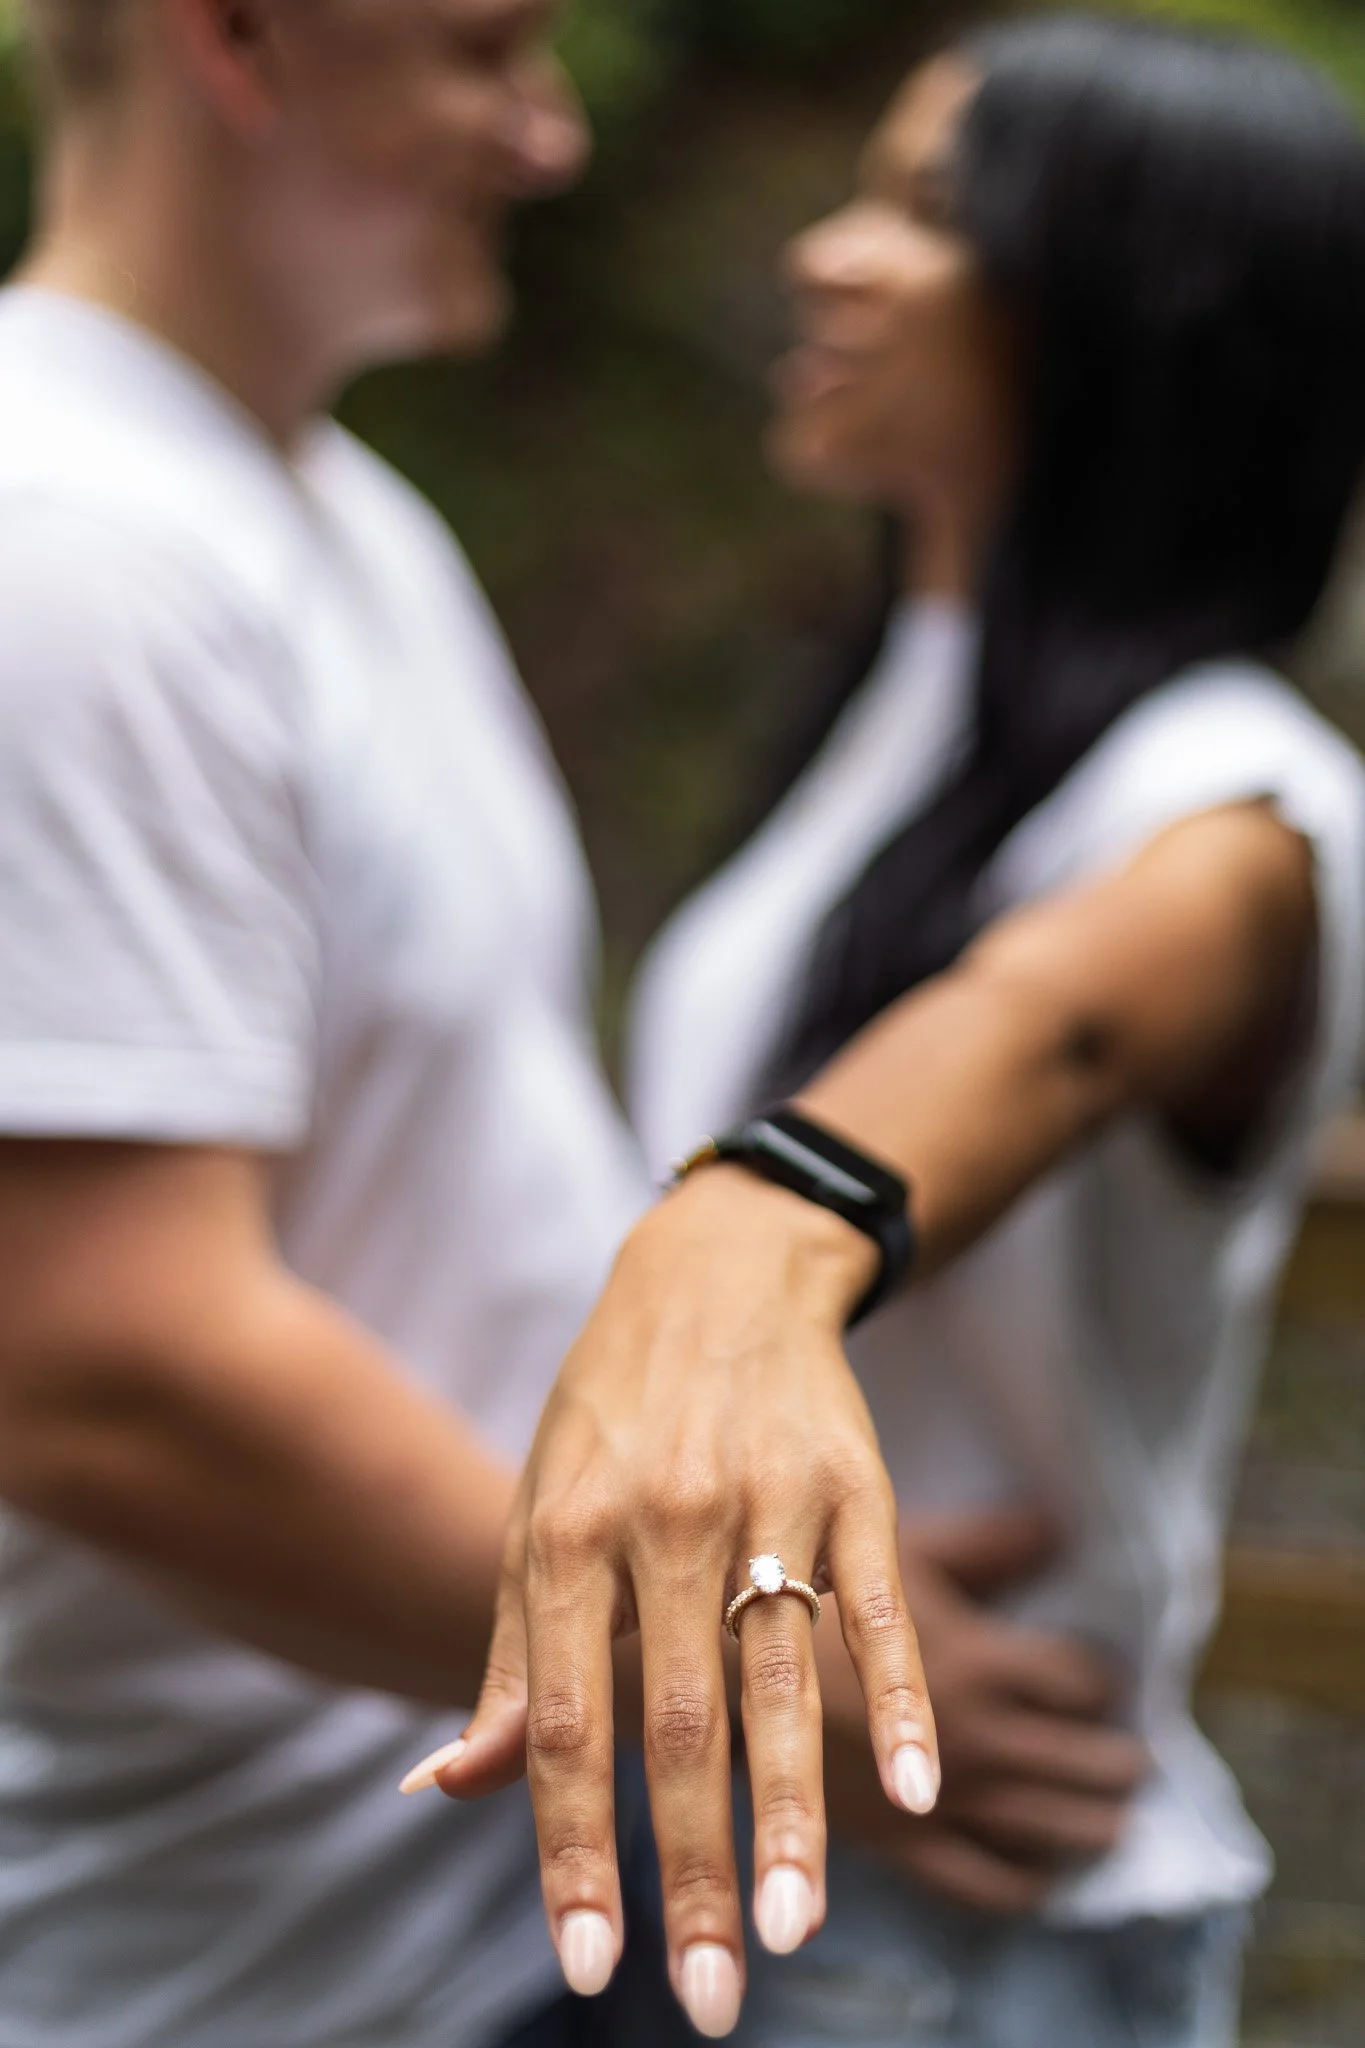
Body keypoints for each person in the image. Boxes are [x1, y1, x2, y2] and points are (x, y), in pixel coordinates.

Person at [432, 12, 1365, 2044]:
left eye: (929, 212)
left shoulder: (1234, 811)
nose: (825, 255)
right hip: (743, 1844)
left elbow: (1038, 1030)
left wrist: (756, 1224)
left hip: (957, 1922)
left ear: (1135, 303)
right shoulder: (893, 713)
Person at [0, 4, 651, 2045]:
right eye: (482, 51)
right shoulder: (66, 550)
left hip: (456, 1903)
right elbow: (106, 1364)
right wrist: (756, 1672)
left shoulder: (327, 502)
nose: (548, 135)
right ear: (234, 40)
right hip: (253, 1973)